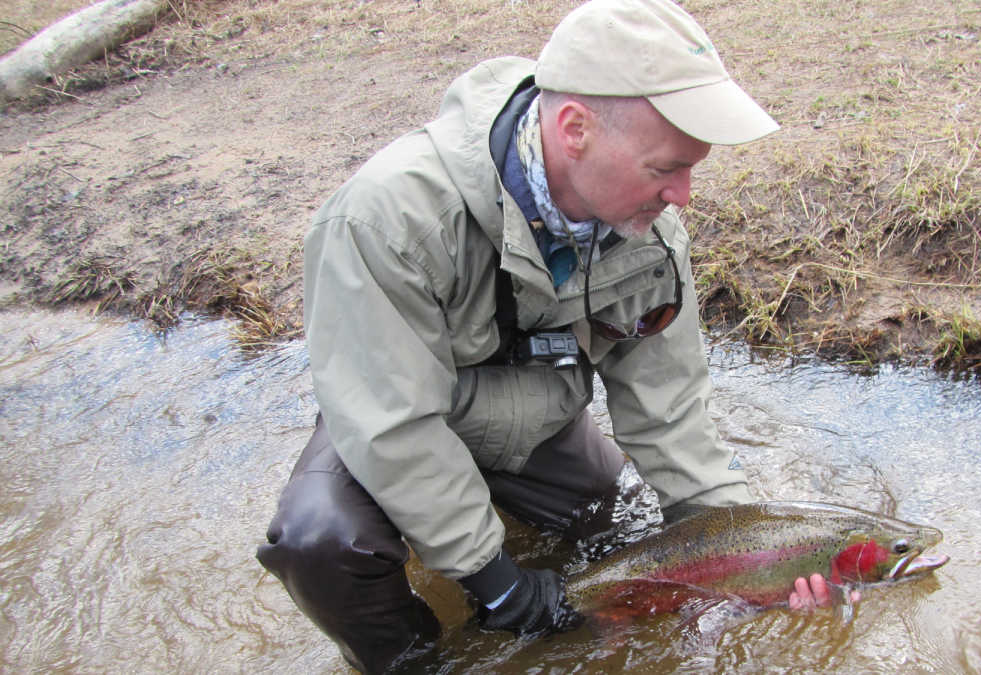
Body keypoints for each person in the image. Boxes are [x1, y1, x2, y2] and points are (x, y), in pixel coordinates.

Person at [256, 0, 843, 672]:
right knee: (320, 542)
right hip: (400, 418)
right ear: (574, 129)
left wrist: (747, 550)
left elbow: (672, 415)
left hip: (536, 426)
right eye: (664, 168)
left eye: (692, 169)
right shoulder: (387, 218)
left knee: (625, 532)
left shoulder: (651, 235)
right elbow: (393, 423)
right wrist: (492, 577)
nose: (682, 194)